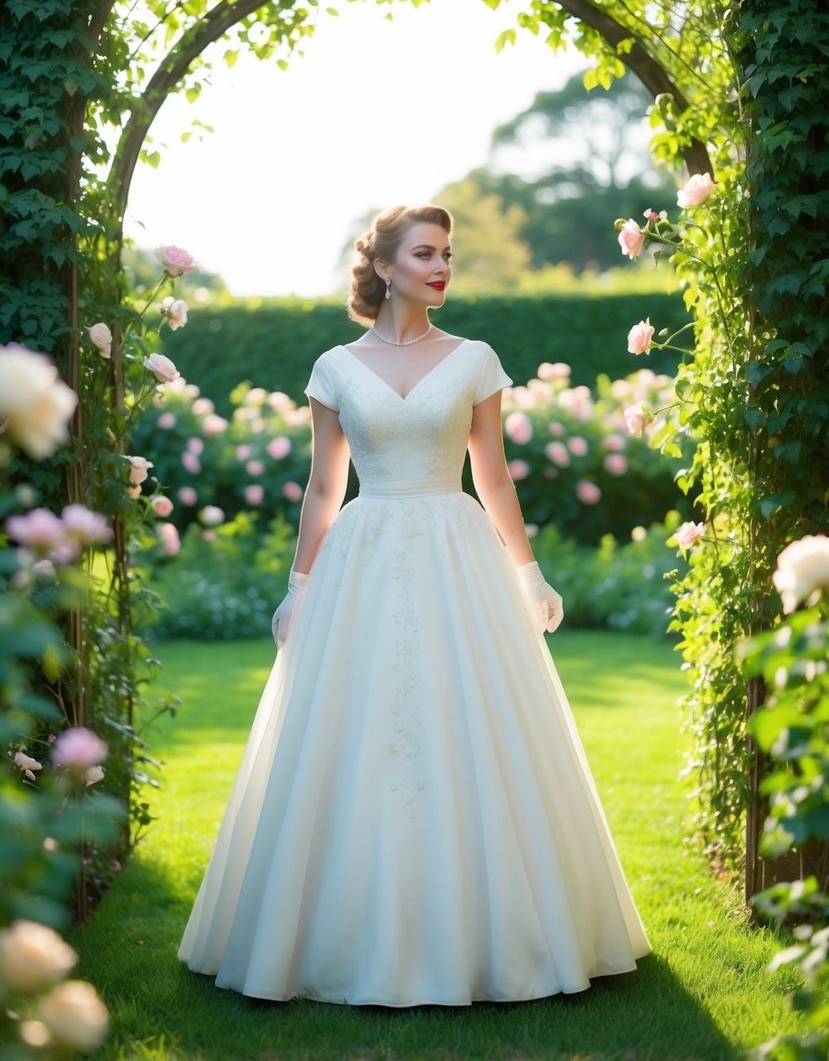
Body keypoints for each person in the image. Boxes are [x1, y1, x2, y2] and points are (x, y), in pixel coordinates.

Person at [179, 203, 650, 1006]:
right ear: (385, 268)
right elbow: (326, 485)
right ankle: (343, 934)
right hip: (362, 555)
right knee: (353, 728)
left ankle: (496, 934)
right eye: (425, 254)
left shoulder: (473, 359)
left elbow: (492, 474)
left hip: (453, 548)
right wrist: (297, 589)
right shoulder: (334, 366)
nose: (441, 267)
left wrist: (528, 573)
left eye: (447, 255)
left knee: (468, 722)